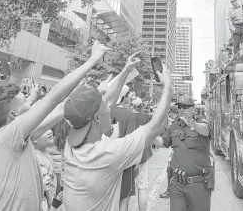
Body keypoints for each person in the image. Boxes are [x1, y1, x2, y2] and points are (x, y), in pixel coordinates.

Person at [0, 41, 109, 211]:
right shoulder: (9, 135)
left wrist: (96, 92)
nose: (30, 100)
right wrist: (92, 60)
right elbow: (54, 97)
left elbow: (62, 107)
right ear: (13, 116)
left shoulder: (18, 139)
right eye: (24, 100)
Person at [62, 63, 173, 211]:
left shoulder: (70, 146)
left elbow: (106, 102)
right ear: (97, 117)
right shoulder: (107, 154)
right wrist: (168, 85)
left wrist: (126, 71)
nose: (109, 105)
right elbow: (156, 125)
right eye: (104, 105)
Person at [153, 95, 214, 211]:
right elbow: (162, 142)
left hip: (198, 184)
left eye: (185, 107)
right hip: (177, 184)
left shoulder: (200, 123)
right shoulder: (175, 126)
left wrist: (193, 125)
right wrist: (150, 135)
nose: (182, 109)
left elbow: (206, 131)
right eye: (180, 106)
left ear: (193, 108)